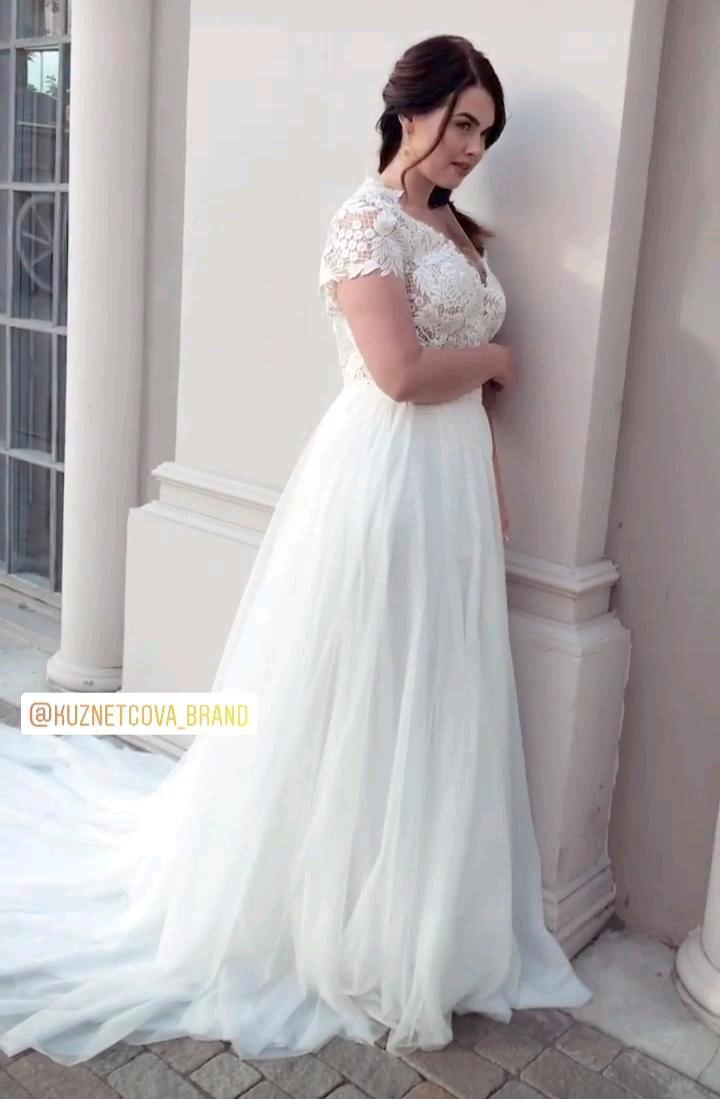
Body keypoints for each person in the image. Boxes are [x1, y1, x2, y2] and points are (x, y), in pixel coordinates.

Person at [0, 33, 592, 1069]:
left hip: (451, 485)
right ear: (409, 110)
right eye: (461, 124)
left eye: (486, 135)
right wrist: (500, 357)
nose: (471, 148)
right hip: (384, 480)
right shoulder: (364, 223)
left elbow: (461, 399)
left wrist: (492, 485)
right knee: (361, 684)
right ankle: (328, 911)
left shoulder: (457, 230)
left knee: (426, 689)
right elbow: (399, 372)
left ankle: (407, 907)